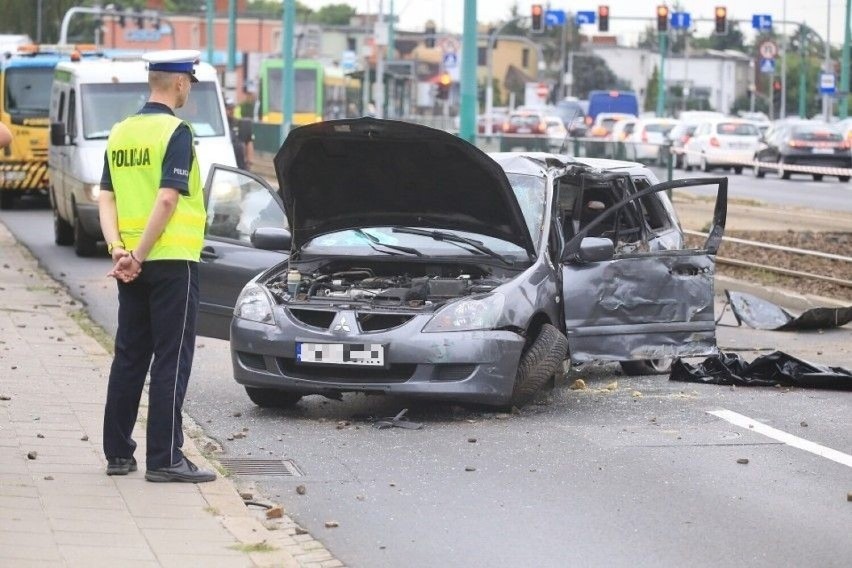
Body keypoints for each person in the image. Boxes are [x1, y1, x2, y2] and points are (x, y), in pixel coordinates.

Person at [98, 49, 215, 483]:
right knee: (171, 359)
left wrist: (119, 250)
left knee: (129, 356)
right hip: (171, 262)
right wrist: (142, 254)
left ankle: (117, 453)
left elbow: (105, 195)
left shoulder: (121, 131)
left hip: (131, 262)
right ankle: (165, 459)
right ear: (181, 82)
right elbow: (168, 197)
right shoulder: (176, 131)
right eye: (191, 84)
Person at [225, 97, 253, 170]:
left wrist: (249, 162)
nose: (232, 111)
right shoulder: (220, 125)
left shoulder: (240, 124)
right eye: (229, 109)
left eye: (232, 108)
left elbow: (248, 141)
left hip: (240, 165)